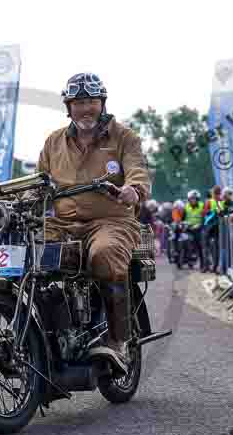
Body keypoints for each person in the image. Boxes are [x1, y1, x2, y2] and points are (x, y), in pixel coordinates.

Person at [35, 72, 150, 375]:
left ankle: (119, 341)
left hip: (111, 220)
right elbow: (39, 183)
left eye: (91, 102)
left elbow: (137, 171)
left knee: (104, 254)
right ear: (68, 106)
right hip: (61, 223)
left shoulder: (124, 137)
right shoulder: (53, 142)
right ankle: (39, 335)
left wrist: (133, 189)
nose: (85, 109)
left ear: (102, 103)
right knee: (28, 255)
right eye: (78, 102)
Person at [181, 190, 205, 270]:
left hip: (198, 228)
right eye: (191, 199)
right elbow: (182, 218)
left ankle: (202, 264)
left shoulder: (202, 205)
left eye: (194, 199)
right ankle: (185, 258)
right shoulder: (186, 206)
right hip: (188, 228)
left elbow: (204, 217)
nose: (193, 200)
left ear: (197, 199)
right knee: (184, 241)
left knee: (200, 245)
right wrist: (182, 223)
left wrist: (200, 224)